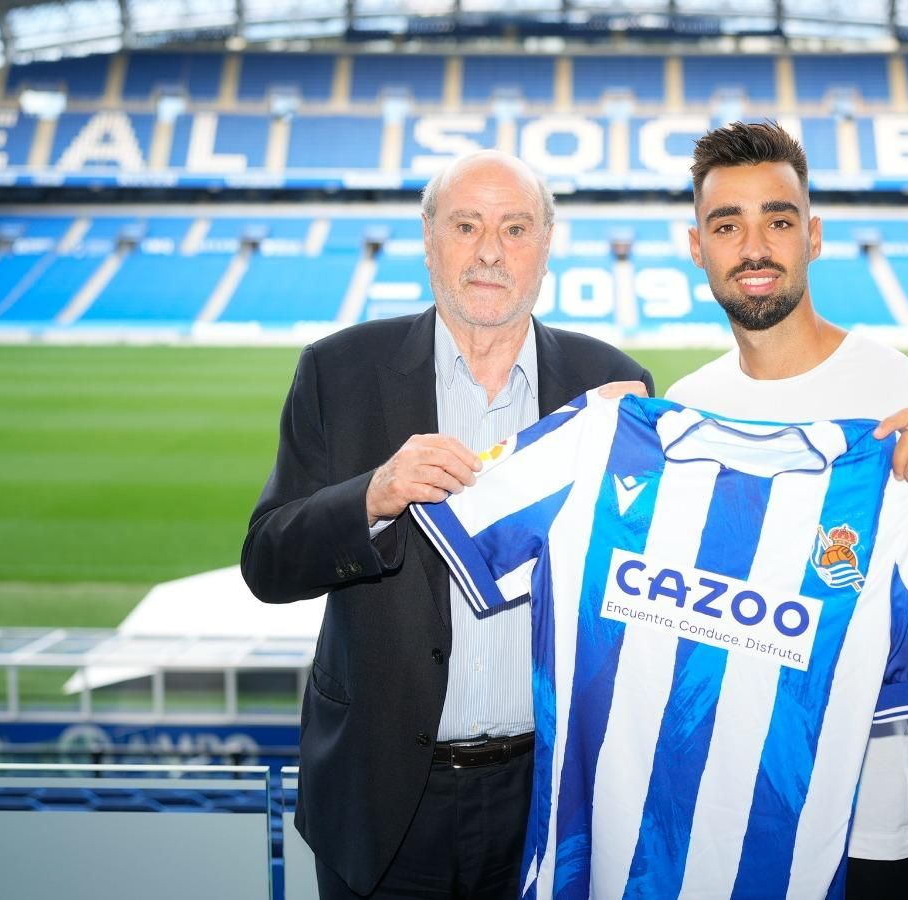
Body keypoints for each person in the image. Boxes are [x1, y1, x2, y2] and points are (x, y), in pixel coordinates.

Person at [241, 149, 654, 900]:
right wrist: (370, 496)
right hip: (383, 796)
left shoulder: (610, 385)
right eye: (466, 225)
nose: (491, 251)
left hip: (549, 797)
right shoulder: (338, 373)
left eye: (516, 228)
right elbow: (267, 561)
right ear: (429, 240)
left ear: (546, 246)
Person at [666, 121, 908, 899]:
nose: (754, 246)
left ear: (814, 236)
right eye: (727, 224)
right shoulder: (685, 410)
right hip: (718, 822)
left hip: (864, 835)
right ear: (698, 247)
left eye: (779, 220)